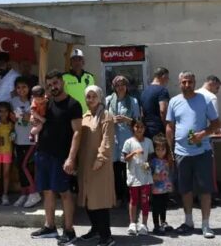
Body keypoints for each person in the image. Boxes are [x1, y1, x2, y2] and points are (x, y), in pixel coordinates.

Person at [30, 70, 83, 246]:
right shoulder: (46, 103)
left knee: (65, 193)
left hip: (61, 156)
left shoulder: (73, 105)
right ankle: (50, 226)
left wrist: (71, 158)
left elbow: (77, 133)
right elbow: (38, 120)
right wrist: (34, 120)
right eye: (50, 84)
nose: (53, 87)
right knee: (47, 191)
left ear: (62, 83)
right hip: (43, 153)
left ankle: (69, 230)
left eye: (56, 83)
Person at [165, 71, 220, 239]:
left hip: (202, 152)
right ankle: (188, 222)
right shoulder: (174, 101)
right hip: (181, 153)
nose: (187, 85)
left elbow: (216, 124)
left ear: (195, 83)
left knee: (204, 190)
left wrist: (202, 134)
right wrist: (170, 150)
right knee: (185, 189)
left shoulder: (205, 100)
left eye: (190, 82)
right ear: (179, 83)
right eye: (184, 82)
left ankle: (206, 225)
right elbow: (169, 126)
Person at [77, 85, 116, 246]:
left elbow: (107, 140)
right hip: (85, 165)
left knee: (100, 200)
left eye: (93, 96)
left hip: (100, 165)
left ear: (99, 98)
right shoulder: (85, 116)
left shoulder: (105, 115)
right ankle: (95, 230)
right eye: (88, 96)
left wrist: (101, 158)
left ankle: (106, 236)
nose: (90, 99)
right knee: (88, 199)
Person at [105, 75, 141, 206]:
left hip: (128, 140)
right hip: (113, 141)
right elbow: (103, 120)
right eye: (118, 85)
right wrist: (111, 120)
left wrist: (127, 120)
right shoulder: (108, 100)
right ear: (114, 87)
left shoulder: (133, 101)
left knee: (129, 171)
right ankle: (118, 197)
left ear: (127, 86)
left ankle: (129, 198)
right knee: (115, 171)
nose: (120, 87)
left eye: (123, 84)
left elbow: (138, 122)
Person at [11, 77, 41, 208]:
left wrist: (26, 116)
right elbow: (13, 118)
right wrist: (14, 119)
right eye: (18, 87)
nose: (21, 90)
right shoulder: (13, 101)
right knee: (19, 166)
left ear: (29, 88)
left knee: (25, 166)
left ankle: (34, 193)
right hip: (18, 139)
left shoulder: (34, 101)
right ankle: (24, 194)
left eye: (24, 87)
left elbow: (35, 119)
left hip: (31, 140)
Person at [123, 119, 153, 236]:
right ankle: (132, 223)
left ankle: (144, 224)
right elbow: (125, 158)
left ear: (145, 128)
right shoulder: (128, 142)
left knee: (145, 200)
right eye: (137, 127)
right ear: (132, 128)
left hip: (145, 176)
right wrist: (134, 152)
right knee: (133, 200)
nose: (139, 129)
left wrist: (148, 164)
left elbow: (150, 157)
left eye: (141, 127)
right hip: (133, 176)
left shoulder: (149, 142)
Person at [196, 75, 221, 198]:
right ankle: (209, 195)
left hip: (192, 135)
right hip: (206, 135)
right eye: (217, 87)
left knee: (194, 166)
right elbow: (215, 121)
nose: (218, 90)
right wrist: (216, 131)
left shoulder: (194, 94)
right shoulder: (211, 97)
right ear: (212, 83)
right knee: (207, 167)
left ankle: (196, 194)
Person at [150, 133, 174, 235]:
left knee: (164, 205)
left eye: (162, 149)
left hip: (165, 187)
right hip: (156, 188)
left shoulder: (167, 160)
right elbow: (149, 174)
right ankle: (156, 226)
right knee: (156, 207)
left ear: (166, 149)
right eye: (158, 150)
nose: (160, 152)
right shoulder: (152, 161)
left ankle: (163, 222)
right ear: (154, 150)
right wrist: (154, 176)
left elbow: (169, 172)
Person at [0, 101, 14, 206]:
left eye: (5, 111)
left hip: (8, 152)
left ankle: (5, 195)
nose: (3, 114)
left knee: (6, 174)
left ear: (9, 112)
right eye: (0, 111)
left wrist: (13, 136)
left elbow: (13, 137)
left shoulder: (11, 124)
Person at [62, 48, 96, 114]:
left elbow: (94, 96)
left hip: (87, 115)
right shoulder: (63, 77)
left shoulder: (90, 77)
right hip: (70, 115)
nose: (77, 62)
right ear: (70, 63)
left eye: (79, 59)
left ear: (83, 62)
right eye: (74, 60)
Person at [141, 67, 171, 139]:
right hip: (159, 130)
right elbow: (163, 110)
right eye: (167, 78)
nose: (168, 80)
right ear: (163, 77)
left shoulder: (144, 91)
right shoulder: (162, 90)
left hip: (147, 130)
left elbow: (142, 113)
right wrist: (167, 126)